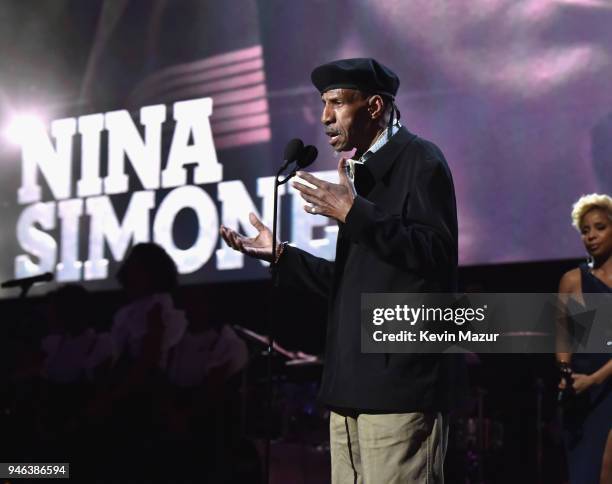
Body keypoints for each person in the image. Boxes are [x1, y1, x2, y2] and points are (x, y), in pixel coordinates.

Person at [220, 58, 459, 483]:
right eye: (322, 104)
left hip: (398, 391)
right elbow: (352, 282)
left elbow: (437, 256)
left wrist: (355, 213)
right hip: (349, 388)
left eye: (337, 103)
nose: (326, 116)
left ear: (373, 107)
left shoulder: (420, 160)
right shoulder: (361, 173)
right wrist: (281, 256)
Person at [557, 193, 612, 484]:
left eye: (600, 227)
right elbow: (563, 336)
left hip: (606, 382)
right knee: (583, 473)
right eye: (585, 230)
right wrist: (565, 371)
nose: (591, 236)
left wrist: (596, 379)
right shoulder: (571, 280)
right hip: (580, 390)